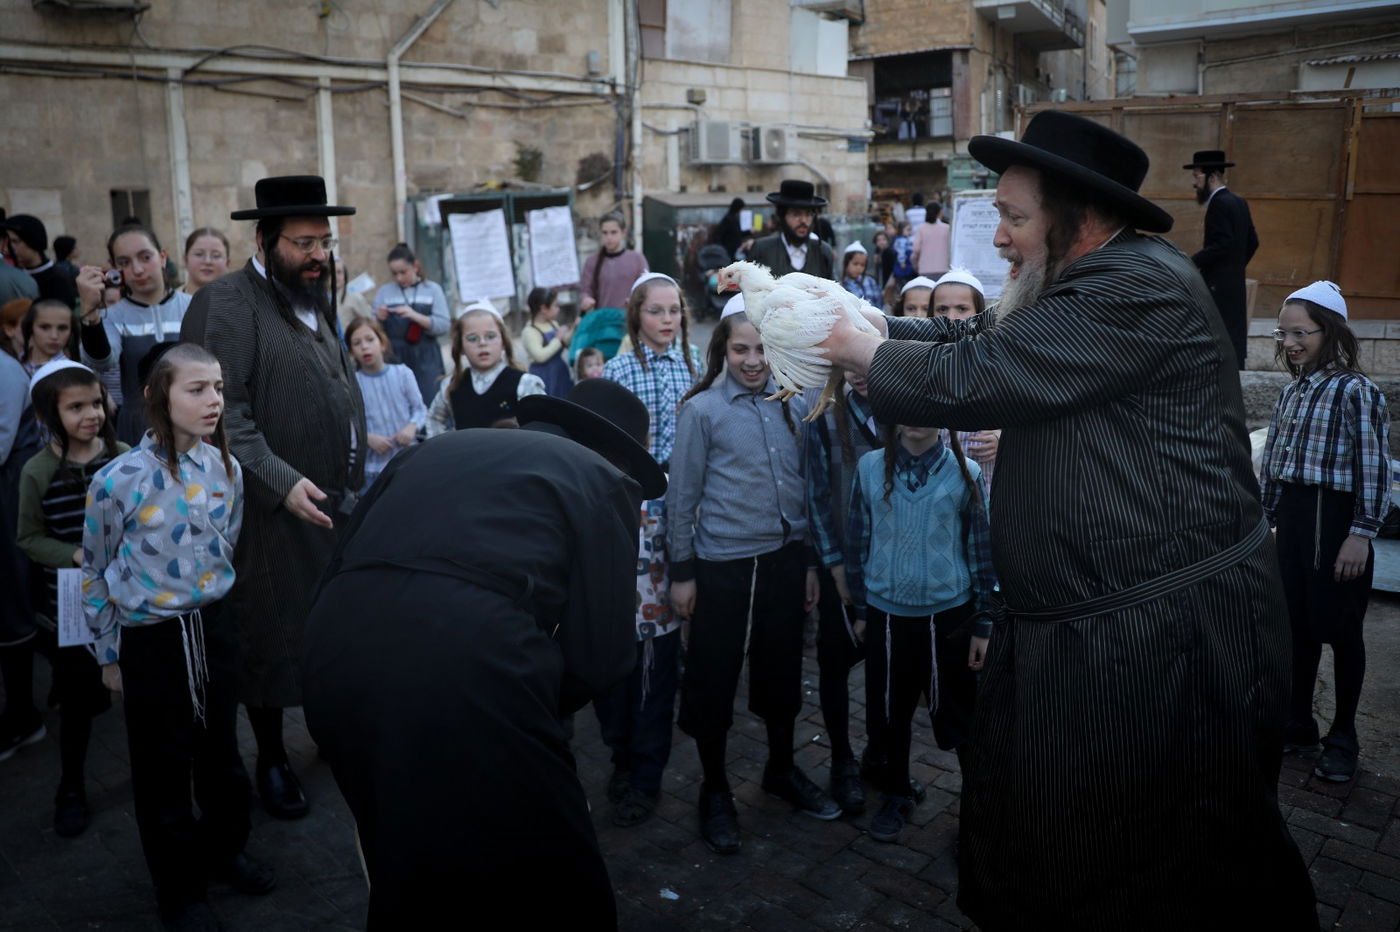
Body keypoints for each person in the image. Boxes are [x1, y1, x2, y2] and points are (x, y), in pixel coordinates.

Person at [815, 110, 1315, 928]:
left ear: (1082, 216)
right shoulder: (1071, 283)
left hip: (1166, 641)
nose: (1000, 237)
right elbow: (976, 331)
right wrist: (874, 326)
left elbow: (981, 369)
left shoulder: (1136, 286)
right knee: (1069, 849)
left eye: (1014, 217)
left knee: (1167, 865)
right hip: (1096, 632)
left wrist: (861, 353)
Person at [303, 377, 666, 930]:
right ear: (621, 453)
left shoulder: (433, 447)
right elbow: (603, 655)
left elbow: (344, 560)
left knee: (402, 851)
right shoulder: (601, 478)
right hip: (473, 663)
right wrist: (529, 702)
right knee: (562, 878)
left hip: (333, 653)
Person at [180, 174, 367, 821]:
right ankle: (271, 757)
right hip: (265, 512)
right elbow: (223, 412)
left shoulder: (314, 294)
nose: (319, 254)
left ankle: (326, 733)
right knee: (268, 633)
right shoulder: (229, 301)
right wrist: (282, 483)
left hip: (328, 506)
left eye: (325, 240)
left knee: (324, 630)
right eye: (304, 242)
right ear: (264, 240)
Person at [83, 342, 274, 930]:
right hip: (153, 640)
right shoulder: (117, 481)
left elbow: (227, 542)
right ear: (157, 397)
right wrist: (108, 653)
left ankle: (226, 850)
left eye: (217, 387)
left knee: (221, 752)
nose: (213, 400)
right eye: (197, 389)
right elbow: (93, 568)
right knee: (162, 767)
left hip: (213, 629)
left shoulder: (226, 468)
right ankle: (180, 890)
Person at [668, 298, 838, 856]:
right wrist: (683, 571)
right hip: (723, 563)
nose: (752, 359)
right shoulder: (703, 411)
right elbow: (682, 495)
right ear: (722, 349)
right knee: (714, 674)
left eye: (763, 348)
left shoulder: (798, 400)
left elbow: (810, 484)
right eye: (741, 348)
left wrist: (811, 560)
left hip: (786, 558)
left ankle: (781, 768)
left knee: (782, 669)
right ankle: (715, 790)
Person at [1261, 281, 1389, 785]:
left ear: (1330, 331)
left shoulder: (1357, 392)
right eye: (1283, 333)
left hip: (1334, 523)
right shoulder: (1291, 392)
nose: (1290, 343)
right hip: (1293, 520)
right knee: (1297, 628)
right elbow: (1275, 464)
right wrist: (1266, 519)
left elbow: (1374, 468)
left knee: (1342, 633)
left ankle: (1344, 737)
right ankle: (1300, 723)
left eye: (1301, 333)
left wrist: (1361, 533)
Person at [844, 421, 995, 844]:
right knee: (890, 715)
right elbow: (858, 539)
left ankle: (977, 814)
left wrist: (983, 621)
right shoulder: (871, 467)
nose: (915, 418)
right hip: (887, 616)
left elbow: (981, 548)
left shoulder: (966, 471)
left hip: (948, 618)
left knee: (960, 717)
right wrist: (859, 606)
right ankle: (897, 793)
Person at [16, 361, 124, 836]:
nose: (91, 414)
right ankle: (72, 787)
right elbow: (29, 537)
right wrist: (74, 553)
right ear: (47, 416)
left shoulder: (122, 456)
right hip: (73, 606)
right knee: (79, 702)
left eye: (96, 403)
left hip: (129, 599)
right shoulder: (37, 472)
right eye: (76, 406)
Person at [804, 366, 887, 816]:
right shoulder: (825, 413)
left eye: (867, 361)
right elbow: (815, 494)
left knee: (883, 667)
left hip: (892, 566)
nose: (860, 374)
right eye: (849, 364)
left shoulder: (903, 407)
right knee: (836, 662)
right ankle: (842, 760)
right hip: (842, 566)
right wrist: (832, 564)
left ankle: (879, 754)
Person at [591, 479, 679, 828]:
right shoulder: (590, 483)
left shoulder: (664, 488)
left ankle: (645, 782)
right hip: (606, 621)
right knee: (611, 703)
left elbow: (683, 537)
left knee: (650, 705)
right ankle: (623, 764)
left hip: (655, 620)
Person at [76, 223, 194, 444]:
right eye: (124, 262)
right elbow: (102, 361)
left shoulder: (194, 306)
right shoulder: (112, 316)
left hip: (192, 422)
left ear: (162, 257)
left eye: (145, 257)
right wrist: (89, 311)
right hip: (139, 426)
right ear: (113, 268)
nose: (137, 269)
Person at [602, 272, 700, 469]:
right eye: (655, 311)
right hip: (636, 482)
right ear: (636, 313)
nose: (667, 319)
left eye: (674, 310)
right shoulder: (617, 370)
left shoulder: (693, 365)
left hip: (683, 480)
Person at [1185, 150, 1259, 370]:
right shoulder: (1239, 202)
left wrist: (1191, 262)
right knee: (1233, 334)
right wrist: (1235, 268)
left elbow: (1220, 245)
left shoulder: (1219, 204)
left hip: (1218, 284)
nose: (1194, 183)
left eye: (1197, 176)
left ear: (1213, 175)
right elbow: (1253, 242)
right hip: (1233, 282)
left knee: (1217, 334)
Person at [425, 302, 545, 435]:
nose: (482, 343)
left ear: (503, 341)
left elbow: (543, 425)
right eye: (472, 338)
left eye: (490, 336)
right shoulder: (452, 386)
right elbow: (434, 419)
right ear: (460, 346)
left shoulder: (525, 384)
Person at [931, 269, 1000, 488]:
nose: (952, 317)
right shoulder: (924, 364)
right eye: (942, 309)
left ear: (980, 313)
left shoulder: (998, 363)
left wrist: (1002, 436)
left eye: (962, 308)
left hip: (985, 486)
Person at [346, 316, 426, 490]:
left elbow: (420, 410)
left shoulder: (403, 374)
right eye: (357, 343)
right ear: (351, 352)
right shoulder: (352, 384)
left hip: (409, 461)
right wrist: (367, 438)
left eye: (369, 339)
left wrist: (411, 427)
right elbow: (349, 422)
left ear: (382, 343)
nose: (364, 346)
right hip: (373, 470)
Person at [372, 244, 449, 405]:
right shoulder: (384, 292)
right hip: (395, 356)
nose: (399, 278)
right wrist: (379, 318)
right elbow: (372, 329)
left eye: (403, 272)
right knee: (398, 403)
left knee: (431, 401)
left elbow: (443, 326)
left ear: (415, 266)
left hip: (426, 357)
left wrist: (415, 316)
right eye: (394, 274)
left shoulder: (433, 290)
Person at [575, 213, 647, 363]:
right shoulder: (592, 261)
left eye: (613, 232)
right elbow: (585, 290)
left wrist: (635, 299)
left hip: (630, 323)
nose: (609, 237)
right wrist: (586, 299)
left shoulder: (637, 259)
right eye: (605, 233)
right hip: (602, 326)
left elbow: (647, 289)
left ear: (623, 232)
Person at [746, 180, 835, 280]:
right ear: (782, 216)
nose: (804, 221)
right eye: (796, 214)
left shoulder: (823, 252)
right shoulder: (761, 250)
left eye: (809, 214)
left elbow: (834, 293)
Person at [2, 215, 78, 308]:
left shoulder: (57, 279)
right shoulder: (15, 276)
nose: (8, 248)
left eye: (15, 241)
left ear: (32, 241)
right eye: (9, 242)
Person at [521, 286, 574, 397]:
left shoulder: (552, 323)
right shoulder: (530, 331)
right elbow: (540, 356)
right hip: (544, 376)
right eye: (555, 305)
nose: (558, 309)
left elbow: (564, 343)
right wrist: (558, 338)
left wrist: (575, 328)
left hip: (559, 372)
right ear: (544, 308)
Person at [20, 298, 75, 376]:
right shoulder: (14, 361)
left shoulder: (71, 372)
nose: (54, 336)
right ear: (30, 328)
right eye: (45, 327)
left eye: (62, 328)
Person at [181, 228, 230, 296]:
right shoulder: (170, 304)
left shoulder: (241, 303)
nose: (207, 261)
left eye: (216, 256)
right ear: (186, 260)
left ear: (227, 262)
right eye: (199, 254)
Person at [911, 201, 950, 279]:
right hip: (943, 268)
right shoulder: (947, 228)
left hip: (925, 269)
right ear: (940, 213)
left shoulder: (921, 228)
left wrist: (915, 264)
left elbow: (916, 249)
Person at [334, 259, 374, 330]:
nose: (335, 276)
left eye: (339, 272)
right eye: (331, 272)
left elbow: (369, 321)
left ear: (345, 275)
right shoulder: (323, 299)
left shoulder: (355, 297)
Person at [839, 242, 882, 307]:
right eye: (855, 264)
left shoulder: (871, 282)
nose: (859, 268)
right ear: (846, 263)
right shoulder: (842, 286)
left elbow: (879, 303)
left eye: (862, 265)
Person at [715, 196, 748, 261]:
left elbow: (738, 233)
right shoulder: (728, 219)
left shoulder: (734, 218)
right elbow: (720, 234)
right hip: (729, 250)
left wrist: (749, 232)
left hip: (736, 249)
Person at [889, 222, 915, 288]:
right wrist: (902, 262)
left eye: (910, 230)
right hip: (903, 264)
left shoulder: (904, 239)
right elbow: (901, 252)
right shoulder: (901, 240)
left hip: (906, 262)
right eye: (908, 230)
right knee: (903, 281)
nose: (909, 232)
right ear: (901, 230)